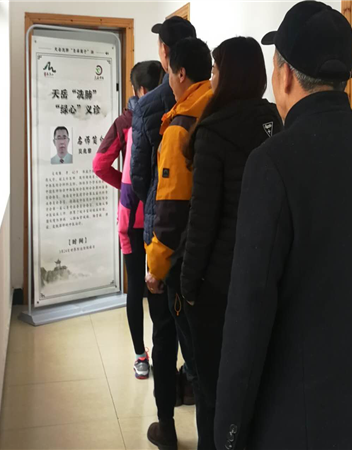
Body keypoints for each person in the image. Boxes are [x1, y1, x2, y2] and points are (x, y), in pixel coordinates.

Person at [214, 2, 352, 450]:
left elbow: (248, 320)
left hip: (296, 429)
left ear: (285, 75)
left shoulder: (272, 163)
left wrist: (228, 433)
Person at [179, 37, 282, 449]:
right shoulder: (278, 123)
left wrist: (187, 285)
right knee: (255, 390)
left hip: (219, 287)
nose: (212, 79)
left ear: (230, 76)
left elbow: (201, 222)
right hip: (268, 280)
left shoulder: (213, 131)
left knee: (213, 395)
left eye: (216, 70)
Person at [144, 37, 213, 450]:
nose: (168, 78)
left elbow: (169, 208)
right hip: (221, 260)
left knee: (189, 357)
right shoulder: (221, 108)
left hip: (185, 264)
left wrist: (155, 266)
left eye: (170, 71)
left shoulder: (180, 125)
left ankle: (172, 426)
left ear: (181, 73)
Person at [93, 61, 165, 380]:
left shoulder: (125, 121)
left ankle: (140, 357)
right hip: (164, 214)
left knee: (135, 285)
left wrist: (128, 184)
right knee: (161, 283)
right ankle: (166, 354)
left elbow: (99, 164)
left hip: (131, 216)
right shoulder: (170, 116)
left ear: (137, 89)